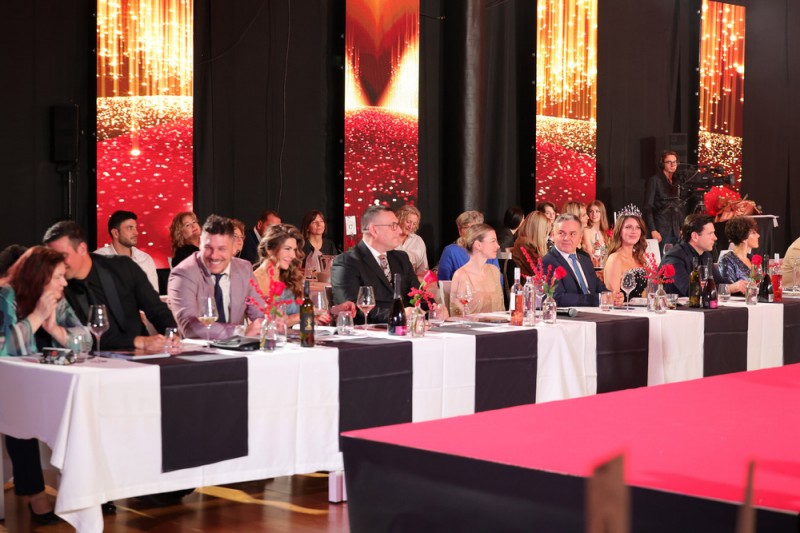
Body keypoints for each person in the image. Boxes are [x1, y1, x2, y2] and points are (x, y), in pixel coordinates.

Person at [0, 247, 91, 524]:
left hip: (46, 378)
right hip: (9, 383)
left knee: (81, 408)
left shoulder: (57, 300)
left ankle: (84, 492)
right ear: (40, 276)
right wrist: (38, 317)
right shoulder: (6, 296)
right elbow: (6, 349)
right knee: (19, 412)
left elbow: (86, 340)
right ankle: (36, 494)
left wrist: (55, 330)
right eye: (59, 277)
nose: (65, 283)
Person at [44, 220, 175, 351]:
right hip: (94, 359)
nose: (56, 263)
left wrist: (172, 334)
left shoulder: (123, 267)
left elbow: (156, 309)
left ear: (82, 249)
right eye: (52, 258)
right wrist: (137, 341)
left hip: (141, 354)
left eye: (62, 256)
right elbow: (85, 338)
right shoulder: (59, 288)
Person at [168, 215, 264, 339]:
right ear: (200, 244)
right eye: (208, 248)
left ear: (233, 248)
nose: (214, 256)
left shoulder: (243, 269)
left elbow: (260, 313)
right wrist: (239, 331)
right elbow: (190, 327)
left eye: (222, 249)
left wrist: (272, 323)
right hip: (198, 348)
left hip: (237, 347)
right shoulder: (183, 273)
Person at [330, 206, 418, 324]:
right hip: (369, 331)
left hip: (407, 328)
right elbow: (352, 309)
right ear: (374, 230)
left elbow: (418, 294)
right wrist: (398, 314)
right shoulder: (347, 262)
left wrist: (434, 308)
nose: (400, 231)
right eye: (394, 226)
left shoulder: (401, 258)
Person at [255, 224, 354, 326]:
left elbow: (309, 312)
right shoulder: (256, 280)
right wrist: (302, 316)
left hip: (298, 334)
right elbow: (268, 324)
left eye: (294, 250)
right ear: (269, 249)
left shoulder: (289, 277)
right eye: (287, 249)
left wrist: (335, 310)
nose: (293, 255)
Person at [541, 214, 622, 307]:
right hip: (573, 315)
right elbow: (556, 297)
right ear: (553, 235)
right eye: (561, 233)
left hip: (595, 312)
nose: (566, 238)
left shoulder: (585, 260)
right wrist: (598, 299)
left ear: (580, 237)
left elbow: (599, 287)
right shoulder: (548, 262)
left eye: (572, 234)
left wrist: (613, 297)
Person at [661, 214, 747, 296]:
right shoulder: (674, 257)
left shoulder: (706, 255)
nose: (715, 238)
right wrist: (728, 288)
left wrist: (739, 286)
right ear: (695, 236)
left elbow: (714, 283)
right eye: (710, 233)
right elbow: (690, 290)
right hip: (674, 305)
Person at [95, 210, 159, 292]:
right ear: (115, 233)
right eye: (130, 228)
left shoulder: (145, 259)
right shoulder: (98, 259)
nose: (136, 233)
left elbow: (153, 295)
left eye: (136, 228)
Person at [450, 224, 504, 316]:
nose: (498, 246)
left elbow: (501, 310)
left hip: (497, 324)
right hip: (471, 325)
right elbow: (457, 316)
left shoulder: (494, 271)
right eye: (493, 241)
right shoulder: (461, 275)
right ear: (478, 245)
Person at [437, 211, 501, 281]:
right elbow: (443, 282)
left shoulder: (489, 249)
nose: (471, 232)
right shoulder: (451, 251)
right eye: (467, 227)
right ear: (459, 230)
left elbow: (498, 280)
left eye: (474, 228)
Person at [603, 212, 649, 299]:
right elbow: (613, 299)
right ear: (620, 231)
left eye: (638, 227)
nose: (634, 231)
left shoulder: (639, 258)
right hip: (624, 307)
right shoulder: (615, 259)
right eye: (628, 227)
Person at [644, 150, 683, 250]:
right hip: (660, 229)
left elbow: (677, 206)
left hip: (675, 230)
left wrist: (681, 226)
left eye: (674, 162)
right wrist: (653, 230)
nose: (672, 165)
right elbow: (648, 207)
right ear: (662, 164)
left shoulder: (676, 181)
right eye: (669, 162)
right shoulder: (655, 180)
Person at [719, 216, 760, 283]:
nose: (758, 235)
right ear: (743, 238)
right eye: (753, 233)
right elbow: (728, 286)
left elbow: (759, 283)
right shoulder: (727, 260)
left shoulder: (752, 258)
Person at [510, 211, 551, 277]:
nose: (546, 235)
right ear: (538, 231)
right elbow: (540, 270)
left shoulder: (524, 242)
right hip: (527, 282)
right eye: (545, 231)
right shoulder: (525, 243)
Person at [300, 210, 338, 275]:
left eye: (321, 221)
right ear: (307, 227)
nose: (319, 224)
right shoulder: (301, 245)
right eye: (314, 222)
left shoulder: (330, 244)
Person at [395, 205, 429, 277]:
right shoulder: (388, 238)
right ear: (399, 219)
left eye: (414, 224)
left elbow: (423, 269)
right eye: (408, 222)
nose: (411, 226)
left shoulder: (418, 241)